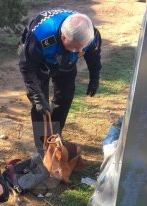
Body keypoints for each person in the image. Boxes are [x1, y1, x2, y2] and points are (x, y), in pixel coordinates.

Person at [19, 9, 102, 154]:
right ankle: (42, 145)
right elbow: (27, 67)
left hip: (66, 63)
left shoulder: (90, 34)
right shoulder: (39, 36)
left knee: (65, 97)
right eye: (76, 47)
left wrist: (95, 77)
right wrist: (36, 95)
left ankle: (55, 136)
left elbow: (93, 55)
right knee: (40, 106)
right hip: (40, 63)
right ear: (63, 36)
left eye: (82, 47)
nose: (80, 51)